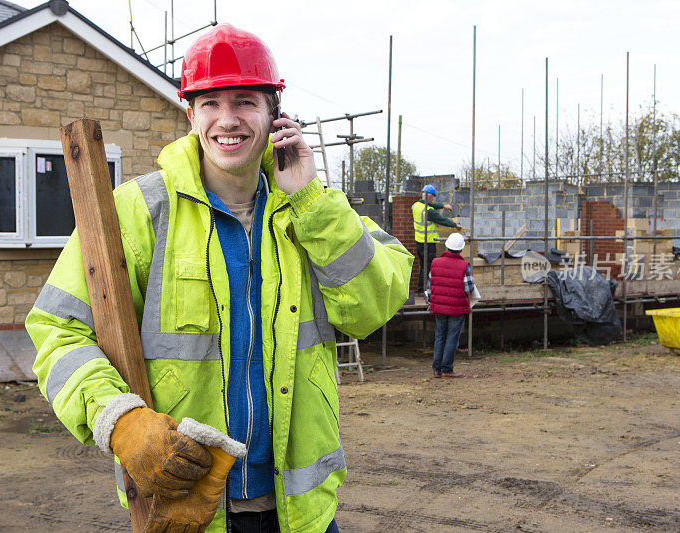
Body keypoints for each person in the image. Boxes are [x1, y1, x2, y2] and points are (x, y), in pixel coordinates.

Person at [26, 23, 413, 533]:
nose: (226, 120)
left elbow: (371, 307)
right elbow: (57, 330)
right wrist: (120, 420)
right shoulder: (140, 211)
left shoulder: (314, 211)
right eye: (210, 103)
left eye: (245, 102)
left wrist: (310, 201)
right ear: (190, 113)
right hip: (190, 511)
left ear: (275, 113)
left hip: (301, 517)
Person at [425, 232, 477, 378]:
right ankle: (447, 369)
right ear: (461, 249)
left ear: (447, 247)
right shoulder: (464, 266)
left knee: (440, 336)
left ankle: (436, 369)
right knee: (452, 337)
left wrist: (431, 300)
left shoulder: (435, 262)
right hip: (457, 307)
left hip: (439, 307)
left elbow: (430, 286)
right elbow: (469, 289)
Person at [412, 184, 462, 294]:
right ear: (429, 196)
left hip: (419, 241)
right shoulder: (429, 211)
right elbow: (441, 220)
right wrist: (455, 225)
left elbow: (431, 205)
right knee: (429, 267)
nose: (433, 199)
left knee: (423, 265)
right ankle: (426, 290)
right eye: (432, 197)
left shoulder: (415, 206)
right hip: (428, 242)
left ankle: (421, 289)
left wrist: (443, 206)